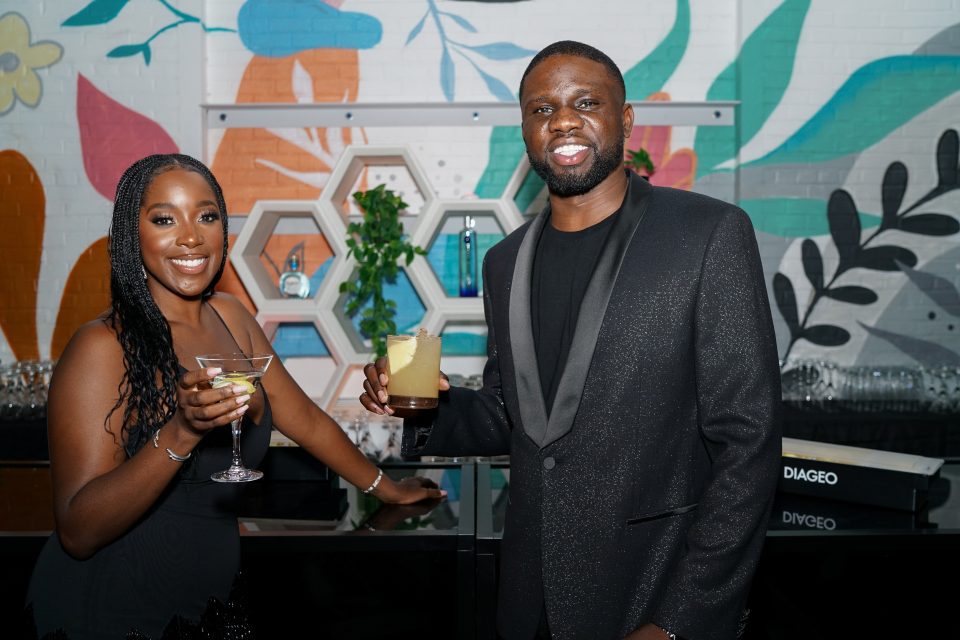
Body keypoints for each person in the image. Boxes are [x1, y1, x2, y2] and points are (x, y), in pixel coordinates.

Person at [360, 41, 781, 640]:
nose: (561, 120)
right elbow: (518, 413)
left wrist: (679, 620)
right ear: (526, 130)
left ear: (625, 119)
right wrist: (424, 400)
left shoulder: (708, 234)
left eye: (586, 102)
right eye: (541, 109)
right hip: (528, 602)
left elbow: (749, 446)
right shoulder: (505, 263)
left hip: (651, 591)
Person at [26, 153, 443, 640]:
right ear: (130, 236)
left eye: (207, 216)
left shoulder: (231, 317)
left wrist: (387, 489)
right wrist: (181, 432)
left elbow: (305, 419)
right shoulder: (102, 346)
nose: (190, 237)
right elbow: (78, 532)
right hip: (114, 608)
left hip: (212, 601)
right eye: (164, 219)